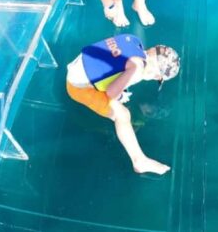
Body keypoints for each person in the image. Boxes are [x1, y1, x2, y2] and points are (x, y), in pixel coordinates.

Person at [65, 34, 181, 175]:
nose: (154, 78)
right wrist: (120, 96)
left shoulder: (133, 40)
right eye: (157, 78)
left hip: (77, 65)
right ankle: (139, 161)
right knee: (123, 115)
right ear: (156, 74)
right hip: (77, 86)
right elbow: (111, 93)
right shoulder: (137, 69)